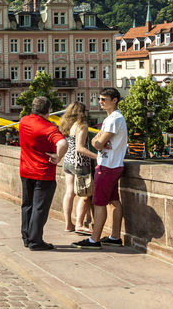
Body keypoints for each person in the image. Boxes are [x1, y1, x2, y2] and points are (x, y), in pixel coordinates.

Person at [73, 88, 128, 249]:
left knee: (99, 203)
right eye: (100, 99)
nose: (100, 102)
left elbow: (97, 143)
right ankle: (115, 236)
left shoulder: (113, 120)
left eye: (104, 99)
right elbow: (98, 142)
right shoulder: (114, 118)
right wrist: (98, 140)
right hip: (114, 165)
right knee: (114, 201)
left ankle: (94, 239)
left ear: (115, 100)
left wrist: (97, 140)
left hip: (106, 166)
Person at [19, 96, 68, 250]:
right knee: (39, 208)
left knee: (27, 206)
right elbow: (62, 143)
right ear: (48, 110)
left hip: (26, 170)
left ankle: (26, 237)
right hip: (43, 173)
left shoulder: (24, 121)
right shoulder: (48, 127)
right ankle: (35, 241)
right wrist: (58, 157)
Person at [59, 102, 96, 233]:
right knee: (85, 194)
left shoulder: (66, 124)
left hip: (67, 161)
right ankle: (79, 224)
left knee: (70, 192)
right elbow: (80, 148)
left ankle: (68, 224)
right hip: (80, 163)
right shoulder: (82, 125)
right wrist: (97, 157)